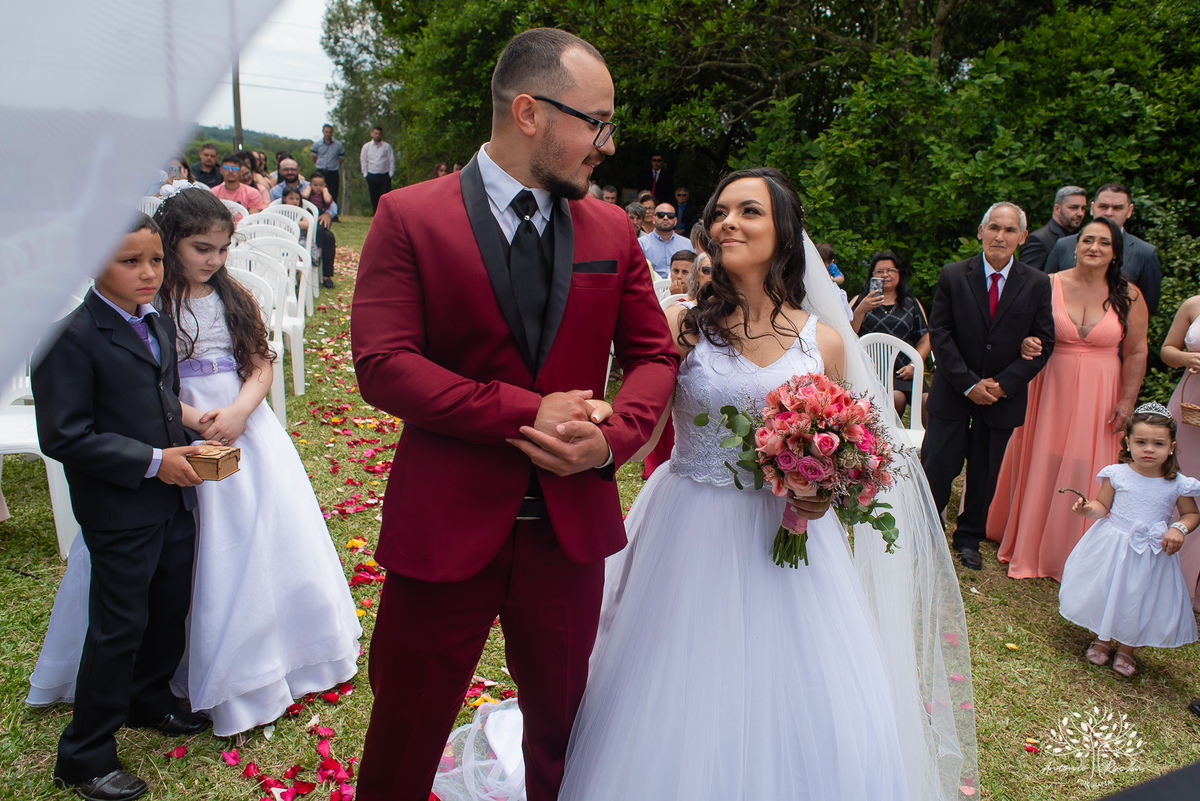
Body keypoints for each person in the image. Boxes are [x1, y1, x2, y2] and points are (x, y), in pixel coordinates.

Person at [557, 167, 976, 801]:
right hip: (688, 521)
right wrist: (593, 434)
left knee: (798, 684)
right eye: (721, 211)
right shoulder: (684, 325)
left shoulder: (824, 342)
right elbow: (642, 426)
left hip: (783, 536)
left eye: (748, 211)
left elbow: (847, 450)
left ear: (783, 233)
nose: (728, 222)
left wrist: (821, 491)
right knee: (678, 678)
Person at [349, 28, 678, 801]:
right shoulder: (408, 217)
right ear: (528, 111)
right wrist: (528, 411)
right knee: (405, 730)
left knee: (565, 735)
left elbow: (655, 357)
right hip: (445, 526)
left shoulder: (612, 230)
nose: (606, 143)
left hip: (568, 538)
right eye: (595, 121)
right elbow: (383, 365)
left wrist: (609, 443)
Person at [29, 189, 364, 739]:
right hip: (168, 434)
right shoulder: (145, 308)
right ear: (171, 241)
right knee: (171, 564)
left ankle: (260, 656)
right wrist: (189, 418)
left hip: (239, 425)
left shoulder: (231, 299)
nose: (211, 260)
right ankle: (147, 684)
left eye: (222, 250)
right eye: (198, 248)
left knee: (253, 537)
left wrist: (235, 413)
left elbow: (259, 363)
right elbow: (142, 388)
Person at [32, 215, 209, 801]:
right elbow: (65, 436)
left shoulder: (153, 322)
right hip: (119, 505)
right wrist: (156, 459)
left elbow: (161, 399)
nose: (148, 273)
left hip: (171, 496)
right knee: (118, 625)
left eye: (155, 260)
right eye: (129, 262)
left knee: (167, 603)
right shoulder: (69, 337)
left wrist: (187, 444)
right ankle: (85, 754)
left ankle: (149, 697)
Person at [986, 217, 1148, 580]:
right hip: (1049, 383)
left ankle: (1074, 548)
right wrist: (1025, 343)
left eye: (1104, 243)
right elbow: (1015, 330)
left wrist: (1127, 400)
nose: (1094, 247)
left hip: (1102, 390)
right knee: (1041, 455)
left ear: (1115, 253)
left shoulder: (1129, 296)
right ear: (1074, 247)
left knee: (1087, 462)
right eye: (1087, 240)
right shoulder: (1046, 284)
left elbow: (1137, 352)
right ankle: (1027, 538)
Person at [921, 202, 1056, 571]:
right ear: (981, 231)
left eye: (1009, 230)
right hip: (954, 391)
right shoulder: (952, 275)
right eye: (994, 227)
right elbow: (941, 335)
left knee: (984, 472)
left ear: (1023, 238)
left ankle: (968, 539)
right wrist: (968, 384)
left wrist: (1002, 385)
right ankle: (927, 533)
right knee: (938, 465)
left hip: (1002, 397)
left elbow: (1044, 342)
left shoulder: (1038, 283)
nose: (1000, 236)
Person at [1059, 404, 1200, 677]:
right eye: (1141, 442)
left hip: (1152, 551)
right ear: (1128, 442)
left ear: (1171, 447)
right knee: (1110, 589)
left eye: (1158, 443)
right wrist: (1088, 509)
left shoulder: (1176, 483)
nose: (1149, 449)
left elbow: (1192, 514)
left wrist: (1179, 528)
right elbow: (1102, 505)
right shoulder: (1117, 474)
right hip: (1114, 545)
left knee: (1141, 596)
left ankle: (1127, 649)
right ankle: (1101, 639)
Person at [1045, 183, 1163, 314]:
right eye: (1103, 206)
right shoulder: (1063, 245)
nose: (1109, 213)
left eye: (1117, 208)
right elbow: (1044, 294)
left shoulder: (1145, 253)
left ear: (1129, 211)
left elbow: (1148, 308)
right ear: (1092, 208)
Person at [850, 251, 931, 417]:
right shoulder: (860, 301)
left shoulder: (911, 304)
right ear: (872, 275)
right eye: (879, 271)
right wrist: (861, 310)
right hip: (872, 373)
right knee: (896, 398)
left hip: (905, 371)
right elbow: (847, 335)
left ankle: (927, 442)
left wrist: (914, 365)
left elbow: (926, 338)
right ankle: (889, 442)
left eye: (891, 270)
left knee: (928, 401)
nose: (885, 275)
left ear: (899, 274)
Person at [1161, 294, 1200, 610]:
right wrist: (1186, 359)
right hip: (1190, 405)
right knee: (1176, 475)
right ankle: (1161, 567)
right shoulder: (1193, 304)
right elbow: (1167, 351)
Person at [1020, 185, 1086, 271]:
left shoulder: (1080, 237)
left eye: (1083, 208)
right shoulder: (1038, 240)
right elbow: (1028, 278)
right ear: (1057, 209)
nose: (1080, 213)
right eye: (1073, 208)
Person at [638, 202, 691, 278]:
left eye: (670, 216)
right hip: (650, 288)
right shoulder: (641, 244)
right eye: (661, 215)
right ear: (653, 219)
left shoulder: (687, 244)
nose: (665, 218)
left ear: (675, 221)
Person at [360, 125, 395, 214]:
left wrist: (391, 174)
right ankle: (376, 213)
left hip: (384, 175)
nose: (377, 135)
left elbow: (391, 160)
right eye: (375, 133)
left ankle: (385, 213)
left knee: (385, 196)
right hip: (372, 174)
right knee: (374, 195)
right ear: (372, 134)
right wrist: (365, 174)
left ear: (381, 135)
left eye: (379, 134)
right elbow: (363, 160)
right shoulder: (366, 147)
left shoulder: (387, 147)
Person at [311, 124, 346, 203]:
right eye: (326, 132)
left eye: (330, 132)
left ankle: (333, 212)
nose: (328, 134)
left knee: (333, 192)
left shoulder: (338, 145)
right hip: (320, 170)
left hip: (333, 171)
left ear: (332, 133)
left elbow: (341, 159)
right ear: (323, 132)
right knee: (318, 191)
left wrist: (335, 166)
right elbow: (314, 157)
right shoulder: (317, 144)